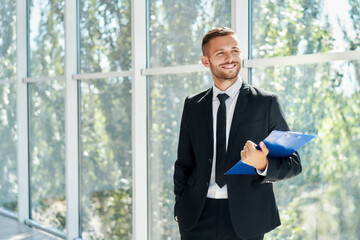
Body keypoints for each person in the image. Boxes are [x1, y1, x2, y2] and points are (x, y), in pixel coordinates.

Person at [173, 27, 302, 240]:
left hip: (246, 218)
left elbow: (293, 163)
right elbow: (184, 163)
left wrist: (263, 163)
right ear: (206, 61)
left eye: (234, 50)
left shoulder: (265, 103)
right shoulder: (193, 105)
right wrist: (180, 207)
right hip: (196, 216)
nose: (230, 58)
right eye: (220, 53)